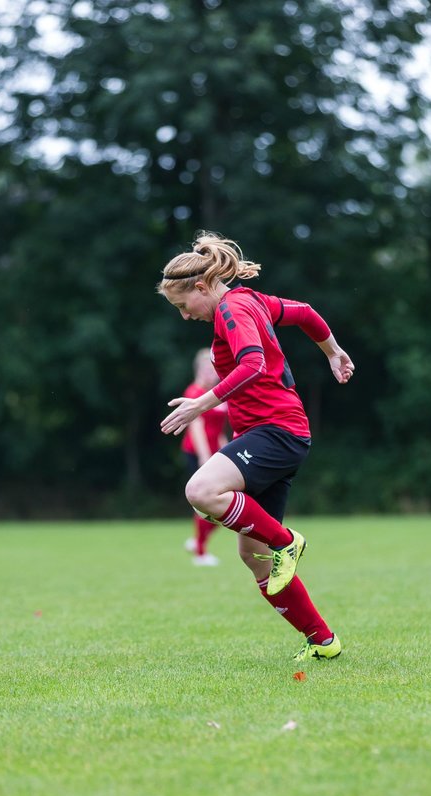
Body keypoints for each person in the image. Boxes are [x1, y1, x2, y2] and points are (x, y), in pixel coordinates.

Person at [157, 232, 355, 662]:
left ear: (202, 287)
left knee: (201, 491)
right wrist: (333, 352)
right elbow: (305, 313)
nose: (185, 316)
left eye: (183, 306)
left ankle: (288, 542)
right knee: (253, 555)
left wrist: (202, 404)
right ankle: (323, 641)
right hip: (275, 433)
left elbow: (253, 364)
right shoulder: (252, 300)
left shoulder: (231, 309)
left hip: (276, 430)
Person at [180, 348, 229, 567]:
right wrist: (205, 458)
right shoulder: (194, 392)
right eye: (210, 369)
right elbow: (196, 427)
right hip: (197, 454)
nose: (215, 374)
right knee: (206, 502)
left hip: (214, 455)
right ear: (199, 369)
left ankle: (198, 540)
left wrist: (228, 453)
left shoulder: (215, 394)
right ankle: (200, 552)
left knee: (228, 502)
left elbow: (218, 432)